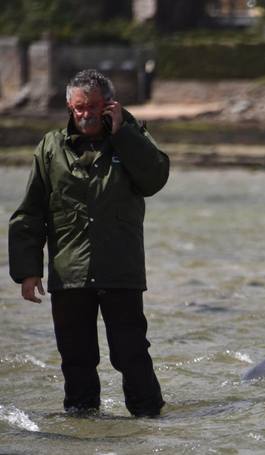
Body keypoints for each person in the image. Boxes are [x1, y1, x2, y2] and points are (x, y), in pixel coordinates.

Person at [8, 69, 169, 417]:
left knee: (130, 353)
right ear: (69, 106)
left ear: (109, 105)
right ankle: (82, 423)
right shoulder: (50, 148)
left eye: (94, 106)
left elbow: (155, 177)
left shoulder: (131, 138)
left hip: (120, 271)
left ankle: (149, 420)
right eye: (79, 107)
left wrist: (124, 131)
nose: (86, 114)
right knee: (76, 357)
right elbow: (30, 213)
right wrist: (28, 271)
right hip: (70, 274)